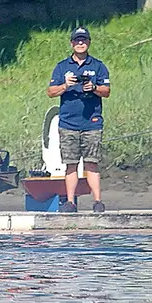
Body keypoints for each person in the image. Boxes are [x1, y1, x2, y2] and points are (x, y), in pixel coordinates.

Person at [47, 27, 111, 213]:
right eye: (77, 40)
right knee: (70, 163)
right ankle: (70, 202)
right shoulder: (62, 67)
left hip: (92, 122)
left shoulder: (98, 66)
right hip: (68, 123)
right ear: (72, 43)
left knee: (92, 162)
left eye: (83, 40)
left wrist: (93, 87)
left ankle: (97, 201)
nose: (80, 43)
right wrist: (66, 85)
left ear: (89, 42)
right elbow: (50, 92)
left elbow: (106, 91)